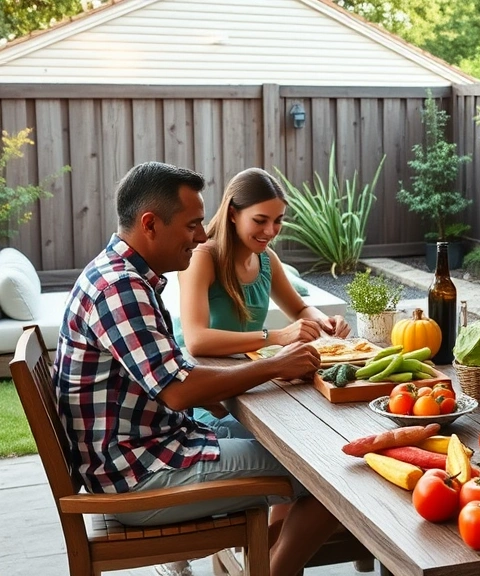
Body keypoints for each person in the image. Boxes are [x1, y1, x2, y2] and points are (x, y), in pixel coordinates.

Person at [54, 161, 340, 576]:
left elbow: (171, 375)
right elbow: (180, 389)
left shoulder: (124, 276)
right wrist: (274, 362)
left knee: (298, 441)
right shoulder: (121, 288)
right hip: (140, 476)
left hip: (151, 449)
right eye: (192, 225)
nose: (202, 235)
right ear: (150, 224)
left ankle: (266, 558)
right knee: (324, 470)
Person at [174, 167, 350, 439]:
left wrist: (323, 322)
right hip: (212, 401)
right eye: (260, 220)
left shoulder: (267, 259)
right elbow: (196, 340)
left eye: (278, 220)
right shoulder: (203, 258)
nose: (270, 231)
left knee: (320, 427)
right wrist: (277, 337)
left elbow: (299, 308)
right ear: (233, 213)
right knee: (299, 439)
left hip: (253, 382)